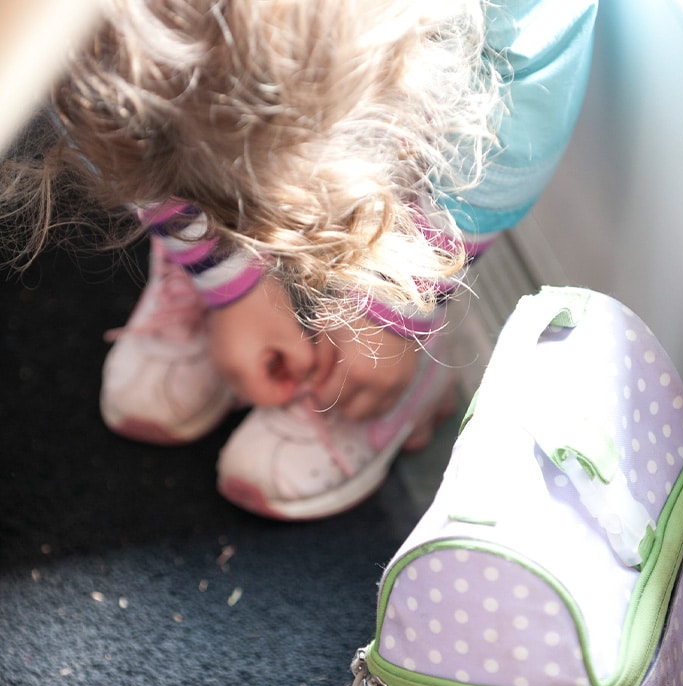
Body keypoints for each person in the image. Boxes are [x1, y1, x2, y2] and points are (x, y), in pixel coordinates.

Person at [1, 0, 598, 520]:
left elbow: (530, 91)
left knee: (455, 110)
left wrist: (399, 300)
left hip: (423, 75)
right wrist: (226, 277)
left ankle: (404, 318)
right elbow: (95, 97)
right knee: (157, 99)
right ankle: (204, 245)